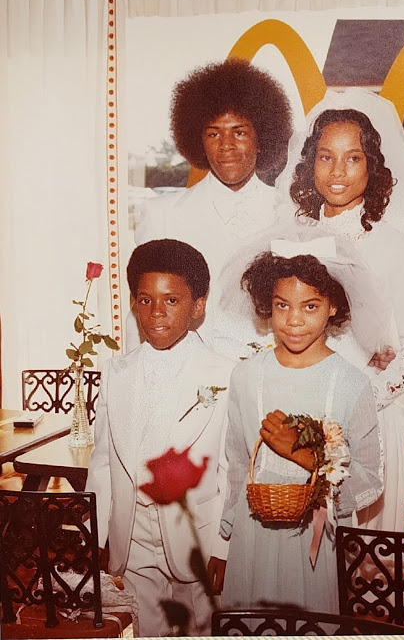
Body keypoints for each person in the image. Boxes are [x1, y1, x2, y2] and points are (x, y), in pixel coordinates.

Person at [277, 89, 404, 531]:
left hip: (365, 418)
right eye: (326, 158)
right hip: (295, 415)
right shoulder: (292, 240)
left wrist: (365, 400)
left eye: (353, 158)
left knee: (362, 565)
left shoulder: (391, 246)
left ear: (373, 166)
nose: (338, 172)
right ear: (310, 165)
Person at [212, 227, 384, 612]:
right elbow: (238, 466)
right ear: (266, 306)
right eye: (281, 306)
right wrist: (221, 543)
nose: (293, 320)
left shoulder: (352, 384)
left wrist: (308, 459)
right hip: (250, 538)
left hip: (312, 545)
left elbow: (370, 479)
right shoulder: (245, 377)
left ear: (333, 306)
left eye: (310, 306)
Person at [85, 239, 234, 637]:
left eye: (171, 301)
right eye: (146, 300)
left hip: (197, 537)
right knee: (148, 629)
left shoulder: (225, 375)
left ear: (197, 306)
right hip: (132, 535)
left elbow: (232, 471)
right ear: (133, 302)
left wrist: (224, 546)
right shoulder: (117, 373)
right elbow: (103, 462)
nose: (156, 314)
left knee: (200, 629)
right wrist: (100, 532)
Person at [129, 59, 293, 356]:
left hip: (271, 378)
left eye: (239, 132)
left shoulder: (292, 214)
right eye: (213, 133)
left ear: (262, 139)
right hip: (189, 384)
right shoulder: (162, 216)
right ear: (197, 141)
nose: (226, 145)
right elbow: (141, 315)